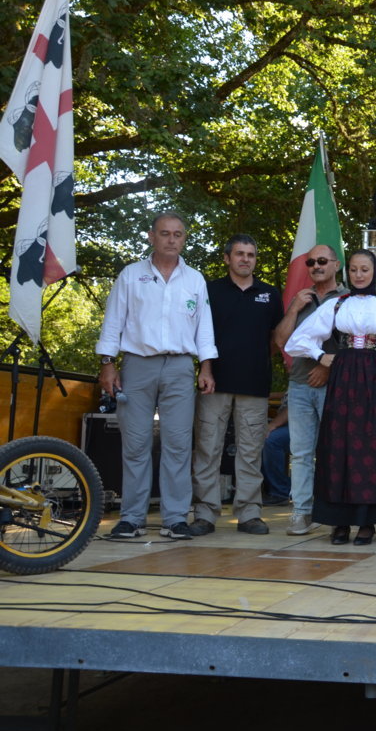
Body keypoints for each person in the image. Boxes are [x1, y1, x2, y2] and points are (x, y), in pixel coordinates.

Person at [96, 211, 217, 540]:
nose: (171, 239)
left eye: (178, 234)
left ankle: (175, 518)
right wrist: (107, 363)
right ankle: (131, 518)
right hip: (137, 365)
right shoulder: (131, 275)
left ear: (184, 238)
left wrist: (206, 367)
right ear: (152, 237)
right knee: (136, 443)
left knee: (178, 444)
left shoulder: (194, 279)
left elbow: (204, 328)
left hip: (180, 367)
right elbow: (113, 321)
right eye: (165, 233)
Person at [285, 250, 376, 545]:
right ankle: (339, 522)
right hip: (343, 376)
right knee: (338, 446)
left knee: (372, 446)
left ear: (374, 272)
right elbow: (297, 341)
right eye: (353, 269)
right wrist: (320, 355)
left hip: (374, 378)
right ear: (347, 272)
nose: (359, 275)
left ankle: (367, 523)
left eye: (365, 269)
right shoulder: (337, 304)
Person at [189, 234, 283, 536]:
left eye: (250, 255)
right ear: (227, 258)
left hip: (255, 384)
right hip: (214, 383)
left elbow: (276, 339)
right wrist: (206, 368)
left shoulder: (269, 294)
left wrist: (254, 358)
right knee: (207, 450)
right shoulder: (209, 290)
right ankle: (205, 514)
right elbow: (198, 334)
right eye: (240, 254)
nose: (245, 259)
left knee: (250, 453)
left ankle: (249, 513)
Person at [273, 244, 344, 536]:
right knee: (300, 453)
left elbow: (357, 345)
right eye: (311, 262)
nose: (316, 266)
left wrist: (327, 367)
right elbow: (281, 341)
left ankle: (333, 512)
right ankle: (302, 512)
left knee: (334, 452)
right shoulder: (301, 298)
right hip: (300, 385)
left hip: (335, 386)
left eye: (322, 261)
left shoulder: (349, 299)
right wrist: (293, 308)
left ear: (336, 264)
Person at [261, 402, 290, 505]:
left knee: (270, 440)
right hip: (288, 421)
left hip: (302, 424)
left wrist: (273, 424)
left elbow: (293, 406)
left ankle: (280, 492)